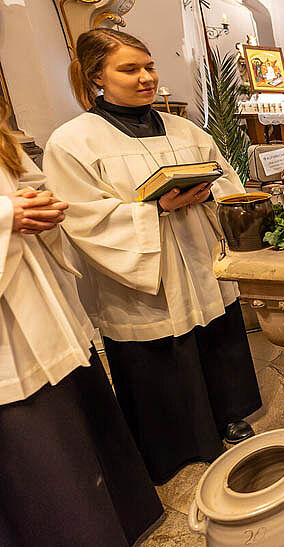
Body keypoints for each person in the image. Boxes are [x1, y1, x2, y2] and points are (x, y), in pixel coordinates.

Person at [44, 28, 263, 485]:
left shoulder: (185, 128)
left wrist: (209, 193)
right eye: (129, 69)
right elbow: (82, 217)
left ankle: (229, 415)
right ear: (96, 76)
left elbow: (227, 180)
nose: (146, 78)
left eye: (149, 67)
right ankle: (175, 442)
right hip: (145, 269)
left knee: (215, 333)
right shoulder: (73, 141)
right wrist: (154, 209)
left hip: (198, 256)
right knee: (161, 351)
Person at [0, 116, 163, 545]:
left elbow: (31, 184)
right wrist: (7, 213)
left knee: (80, 425)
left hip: (40, 294)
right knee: (41, 453)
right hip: (8, 326)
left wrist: (42, 204)